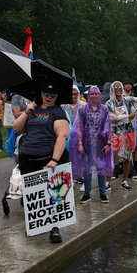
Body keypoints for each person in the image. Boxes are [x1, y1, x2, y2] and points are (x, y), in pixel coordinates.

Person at [13, 79, 69, 243]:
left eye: (53, 94)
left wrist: (54, 159)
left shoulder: (58, 112)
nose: (49, 97)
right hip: (28, 159)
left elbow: (62, 136)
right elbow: (16, 128)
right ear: (41, 94)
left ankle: (54, 229)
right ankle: (34, 226)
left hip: (48, 160)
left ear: (57, 96)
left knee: (54, 196)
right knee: (33, 198)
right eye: (46, 93)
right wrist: (27, 111)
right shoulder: (32, 109)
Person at [69, 85, 112, 204]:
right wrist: (80, 144)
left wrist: (108, 143)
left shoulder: (105, 109)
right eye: (91, 94)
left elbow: (108, 127)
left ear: (99, 95)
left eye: (96, 93)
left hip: (100, 144)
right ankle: (87, 194)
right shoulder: (83, 110)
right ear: (88, 95)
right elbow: (79, 128)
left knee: (101, 168)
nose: (94, 96)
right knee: (86, 170)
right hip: (87, 144)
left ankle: (103, 194)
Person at [105, 81, 137, 191]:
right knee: (111, 158)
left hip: (128, 132)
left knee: (127, 158)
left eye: (120, 87)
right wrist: (128, 117)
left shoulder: (128, 100)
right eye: (115, 88)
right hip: (114, 133)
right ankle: (107, 182)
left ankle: (124, 181)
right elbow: (112, 119)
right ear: (112, 89)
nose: (118, 90)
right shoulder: (108, 104)